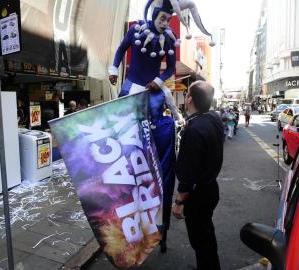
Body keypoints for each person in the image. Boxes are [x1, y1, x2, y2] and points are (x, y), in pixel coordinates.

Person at [109, 0, 214, 252]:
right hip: (131, 89)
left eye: (169, 18)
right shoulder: (136, 31)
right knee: (122, 131)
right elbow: (121, 50)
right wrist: (113, 69)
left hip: (152, 93)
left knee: (155, 130)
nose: (165, 22)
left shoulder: (169, 37)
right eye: (162, 17)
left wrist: (159, 79)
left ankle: (156, 221)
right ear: (154, 13)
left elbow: (170, 68)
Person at [173, 81, 223, 270]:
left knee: (200, 240)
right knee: (206, 236)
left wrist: (179, 202)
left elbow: (189, 173)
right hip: (211, 189)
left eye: (186, 94)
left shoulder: (194, 130)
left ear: (189, 99)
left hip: (198, 195)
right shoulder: (213, 119)